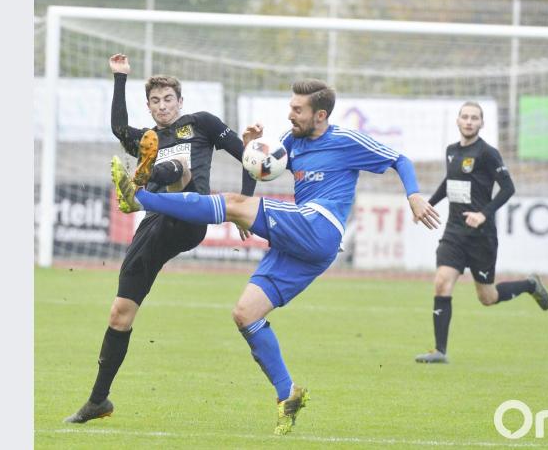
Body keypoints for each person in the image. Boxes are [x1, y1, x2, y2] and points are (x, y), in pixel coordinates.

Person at [110, 78, 441, 435]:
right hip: (303, 247)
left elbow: (399, 159)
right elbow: (261, 172)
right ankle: (288, 394)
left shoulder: (346, 140)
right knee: (245, 314)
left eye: (298, 109)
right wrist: (251, 148)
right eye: (291, 107)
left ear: (320, 115)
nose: (290, 113)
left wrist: (414, 195)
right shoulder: (290, 142)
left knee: (234, 204)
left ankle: (139, 198)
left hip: (321, 225)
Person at [64, 54, 256, 423]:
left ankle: (138, 186)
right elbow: (120, 127)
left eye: (169, 99)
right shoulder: (147, 137)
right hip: (155, 224)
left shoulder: (200, 124)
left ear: (180, 102)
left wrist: (245, 204)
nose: (163, 105)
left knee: (180, 168)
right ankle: (98, 400)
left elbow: (248, 157)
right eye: (155, 101)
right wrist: (120, 79)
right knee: (120, 313)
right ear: (149, 106)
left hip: (191, 212)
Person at [414, 101, 548, 365]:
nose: (468, 121)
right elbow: (449, 181)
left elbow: (508, 188)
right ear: (457, 121)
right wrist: (428, 204)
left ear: (481, 123)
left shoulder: (488, 153)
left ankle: (530, 285)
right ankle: (440, 351)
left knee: (487, 297)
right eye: (464, 117)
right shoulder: (451, 151)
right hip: (454, 232)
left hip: (481, 236)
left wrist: (483, 214)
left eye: (474, 118)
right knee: (442, 281)